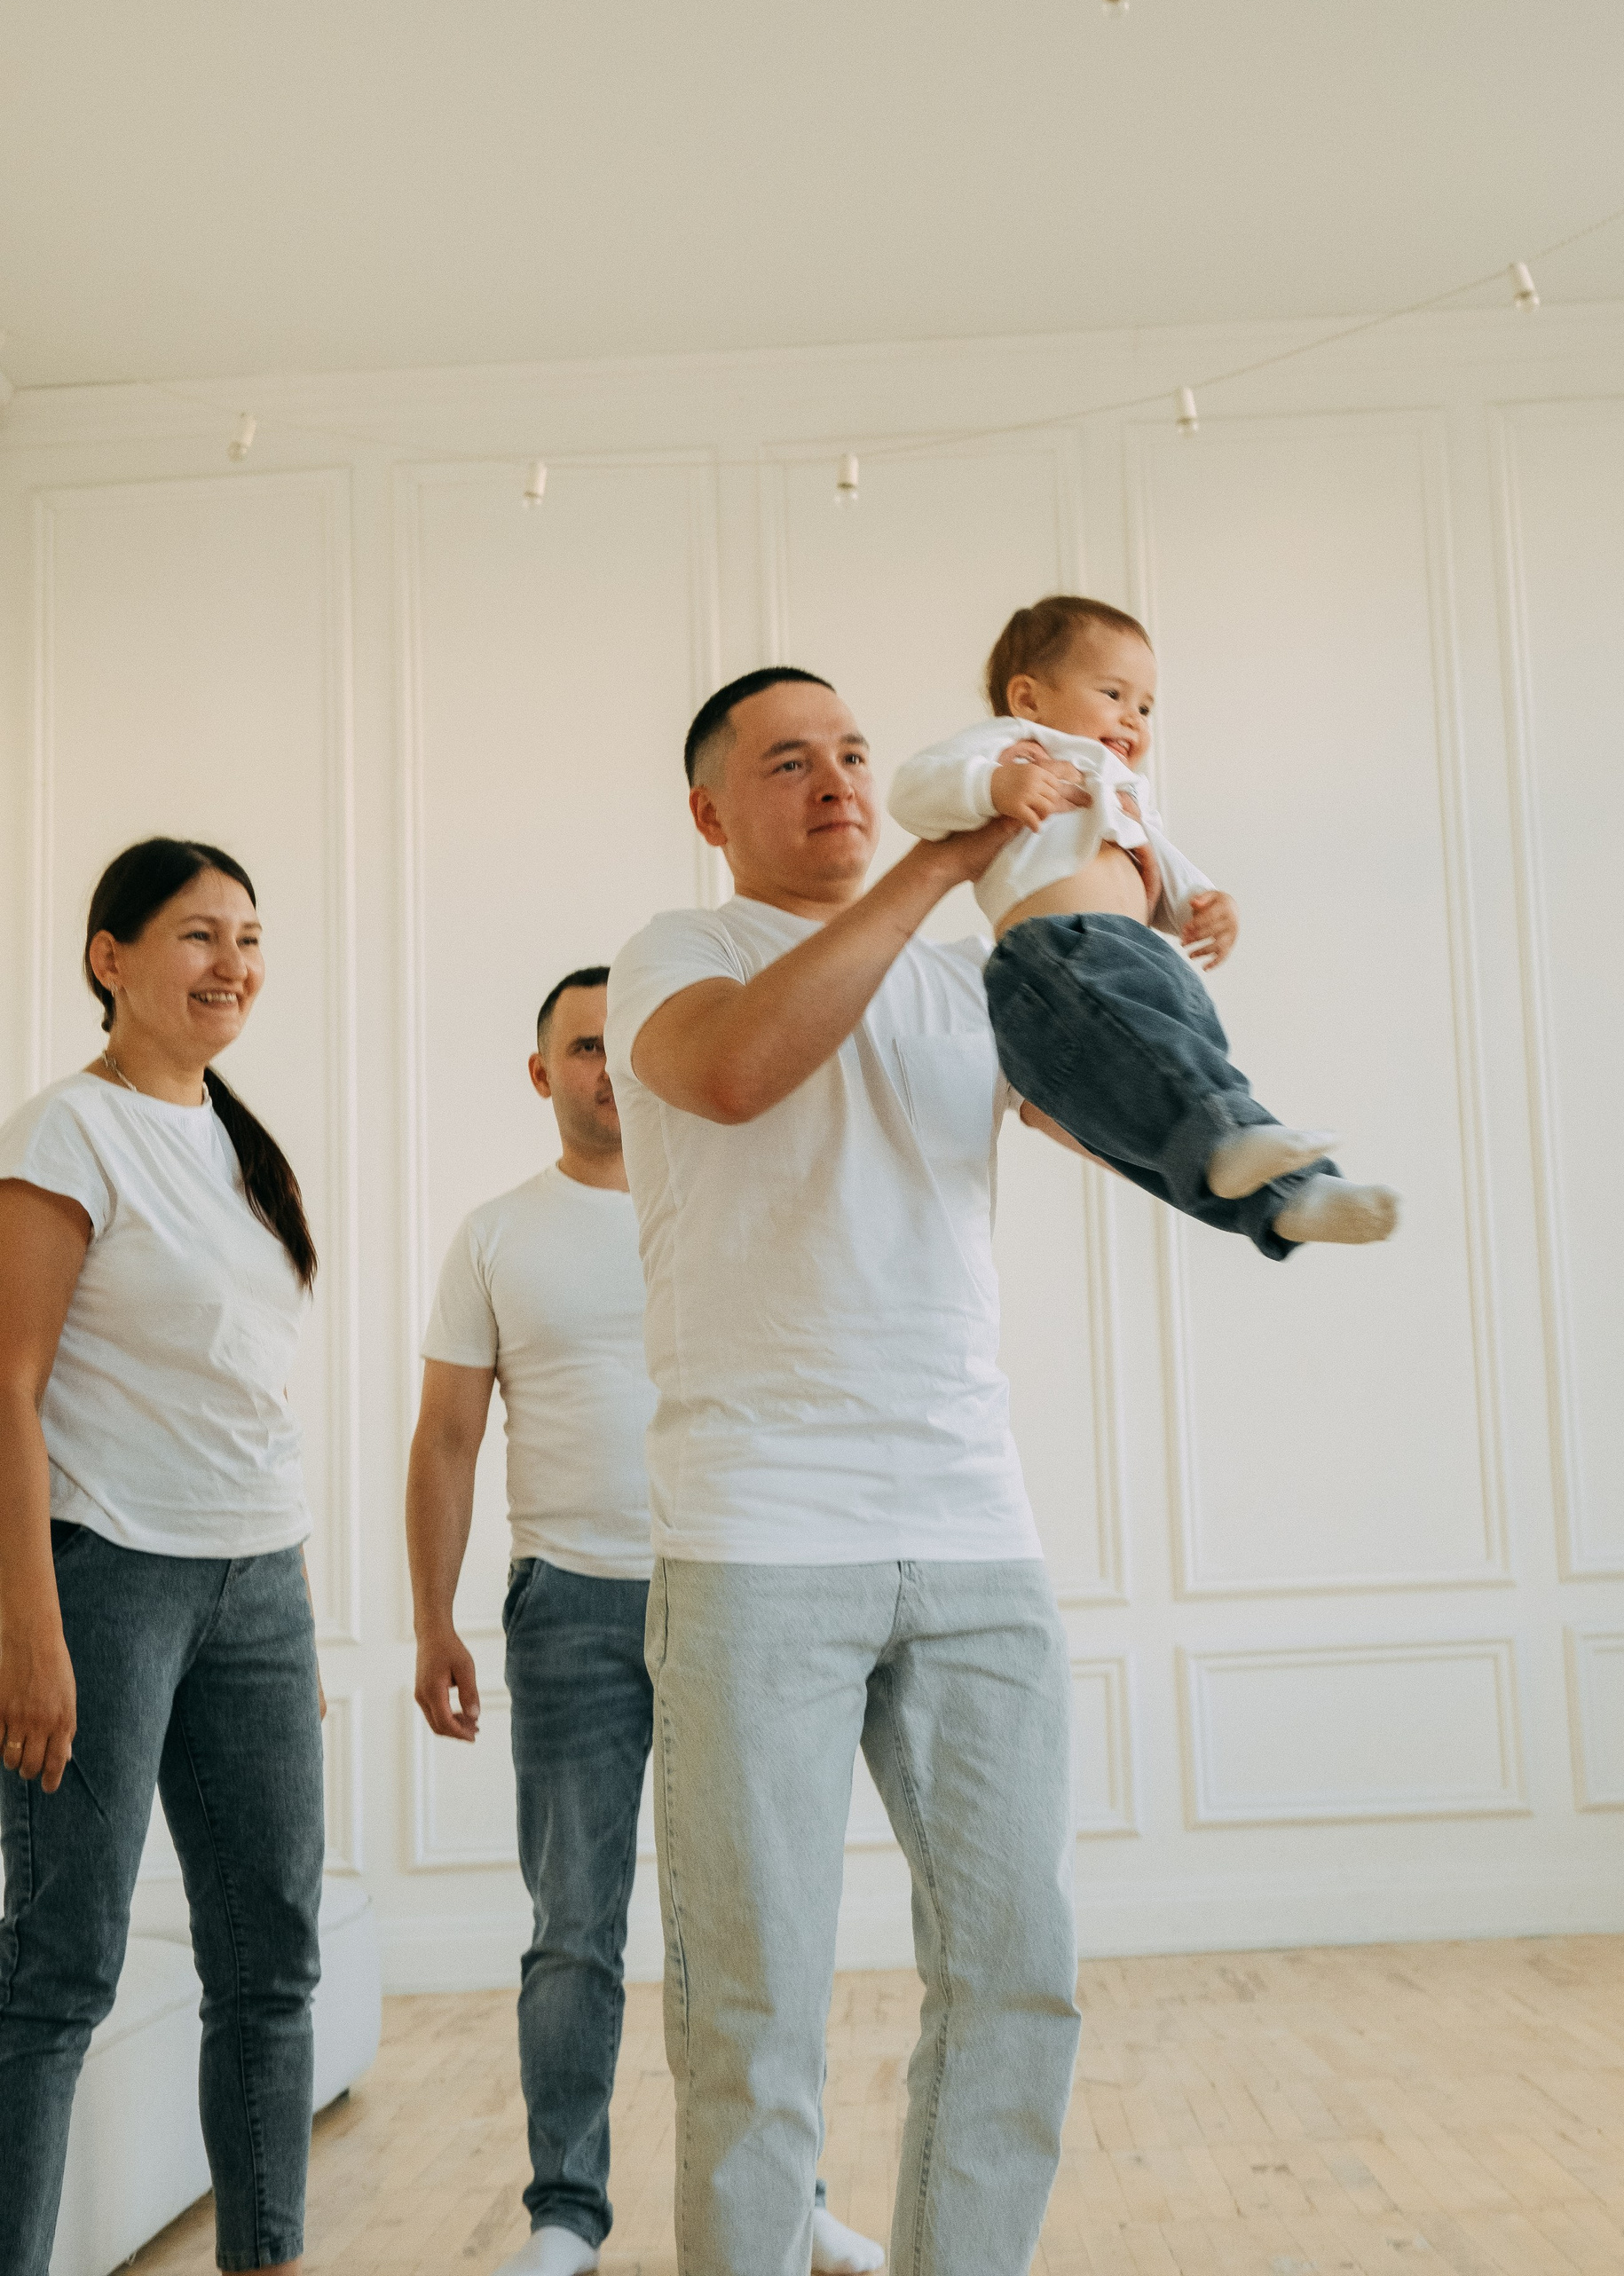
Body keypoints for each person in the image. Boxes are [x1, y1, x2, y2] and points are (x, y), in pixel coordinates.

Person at [604, 666, 1084, 2276]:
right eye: (788, 762)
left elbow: (1118, 1116)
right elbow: (740, 1073)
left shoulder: (967, 981)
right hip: (759, 1541)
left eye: (858, 753)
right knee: (752, 2013)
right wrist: (939, 864)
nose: (839, 781)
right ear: (709, 811)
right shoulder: (680, 955)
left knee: (1019, 1977)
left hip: (974, 1528)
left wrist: (1153, 936)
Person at [406, 967, 884, 2276]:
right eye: (583, 1048)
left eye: (627, 1043)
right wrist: (432, 1619)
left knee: (753, 1919)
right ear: (542, 1073)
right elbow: (446, 1438)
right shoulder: (497, 1236)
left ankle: (789, 2198)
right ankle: (565, 2216)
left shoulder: (732, 1204)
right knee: (575, 1927)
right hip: (568, 1605)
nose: (611, 1067)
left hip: (735, 1592)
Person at [0, 838, 325, 2276]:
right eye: (198, 935)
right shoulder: (65, 1133)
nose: (232, 964)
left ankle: (269, 2261)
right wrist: (28, 1631)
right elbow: (6, 1385)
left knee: (271, 1965)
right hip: (106, 1577)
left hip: (260, 1583)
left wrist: (283, 1625)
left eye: (248, 938)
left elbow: (240, 1388)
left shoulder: (243, 1147)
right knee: (61, 1967)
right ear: (109, 957)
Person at [888, 595, 1399, 1259]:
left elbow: (1159, 858)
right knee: (1180, 1083)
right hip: (1053, 958)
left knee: (1173, 1095)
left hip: (1135, 960)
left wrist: (1202, 902)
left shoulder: (1125, 789)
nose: (1133, 718)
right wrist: (994, 789)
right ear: (1028, 698)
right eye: (1113, 694)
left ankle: (1289, 1201)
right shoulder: (1016, 747)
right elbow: (913, 790)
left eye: (1147, 707)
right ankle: (1242, 1155)